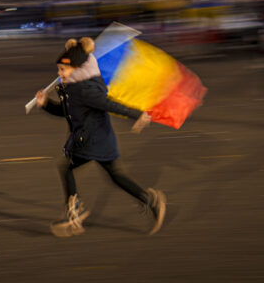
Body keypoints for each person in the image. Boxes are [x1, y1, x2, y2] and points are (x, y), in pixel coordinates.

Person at [35, 37, 166, 237]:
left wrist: (137, 114)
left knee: (66, 167)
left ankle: (74, 212)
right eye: (59, 69)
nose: (59, 73)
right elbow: (66, 112)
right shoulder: (74, 88)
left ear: (77, 69)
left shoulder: (85, 90)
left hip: (91, 141)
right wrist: (46, 104)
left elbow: (110, 104)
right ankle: (150, 200)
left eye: (62, 69)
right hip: (99, 140)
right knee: (116, 176)